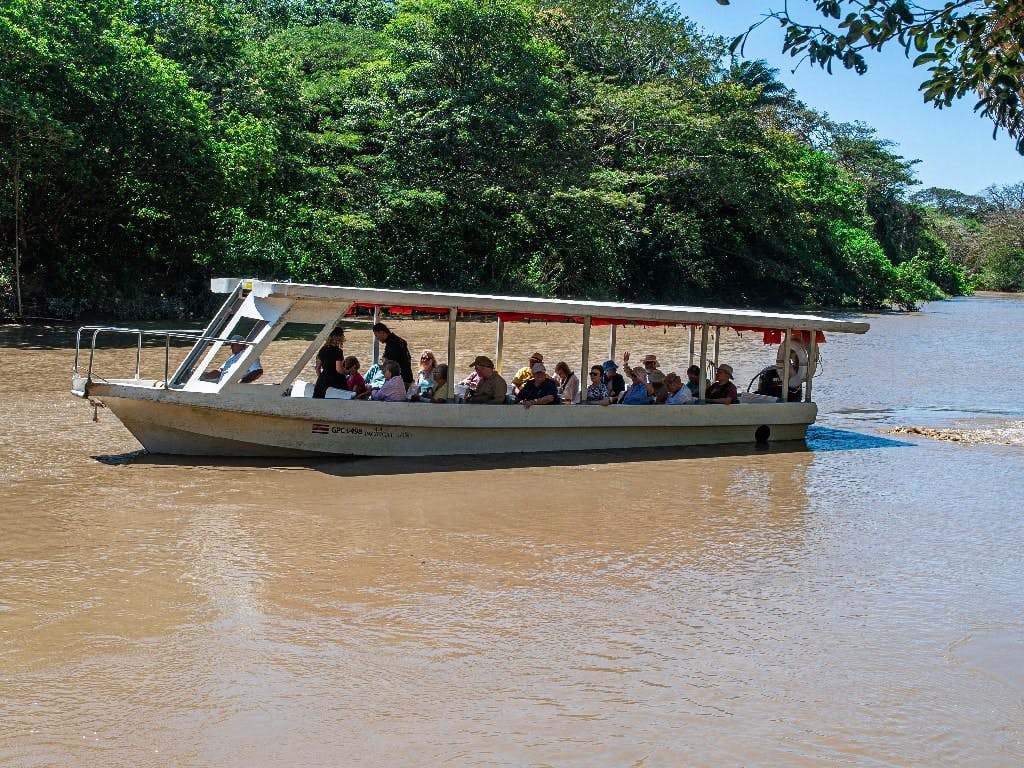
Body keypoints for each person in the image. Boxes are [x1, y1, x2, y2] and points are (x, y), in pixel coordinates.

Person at [371, 323, 413, 387]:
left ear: (382, 332)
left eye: (376, 335)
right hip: (408, 377)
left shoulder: (392, 344)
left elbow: (389, 365)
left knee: (374, 378)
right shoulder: (398, 340)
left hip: (402, 381)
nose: (377, 338)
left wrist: (385, 360)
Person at [313, 326, 346, 398]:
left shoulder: (322, 349)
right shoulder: (338, 351)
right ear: (339, 337)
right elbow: (339, 369)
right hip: (336, 380)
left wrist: (322, 378)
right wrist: (347, 372)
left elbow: (317, 368)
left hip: (322, 381)